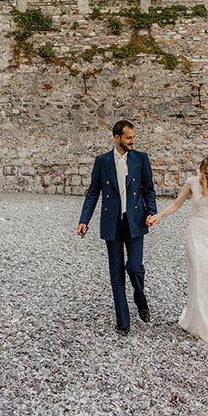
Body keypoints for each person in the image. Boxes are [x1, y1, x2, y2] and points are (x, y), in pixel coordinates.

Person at [149, 152, 208, 348]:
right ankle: (201, 324)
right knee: (199, 278)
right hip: (196, 234)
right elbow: (176, 204)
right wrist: (159, 215)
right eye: (206, 173)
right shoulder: (192, 183)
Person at [77, 120, 157, 336]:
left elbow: (149, 189)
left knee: (134, 267)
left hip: (136, 221)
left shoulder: (141, 159)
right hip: (111, 222)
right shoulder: (102, 161)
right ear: (117, 138)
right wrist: (84, 220)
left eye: (133, 137)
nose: (133, 141)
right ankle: (123, 321)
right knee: (116, 272)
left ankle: (140, 299)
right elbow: (93, 192)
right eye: (129, 137)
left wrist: (151, 213)